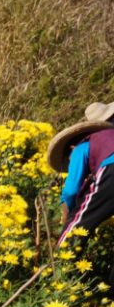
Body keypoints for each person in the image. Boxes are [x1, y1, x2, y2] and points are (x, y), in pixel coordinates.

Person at [48, 105, 114, 264]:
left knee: (79, 221)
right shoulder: (108, 136)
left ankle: (58, 271)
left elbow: (71, 191)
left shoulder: (82, 147)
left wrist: (68, 212)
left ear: (71, 148)